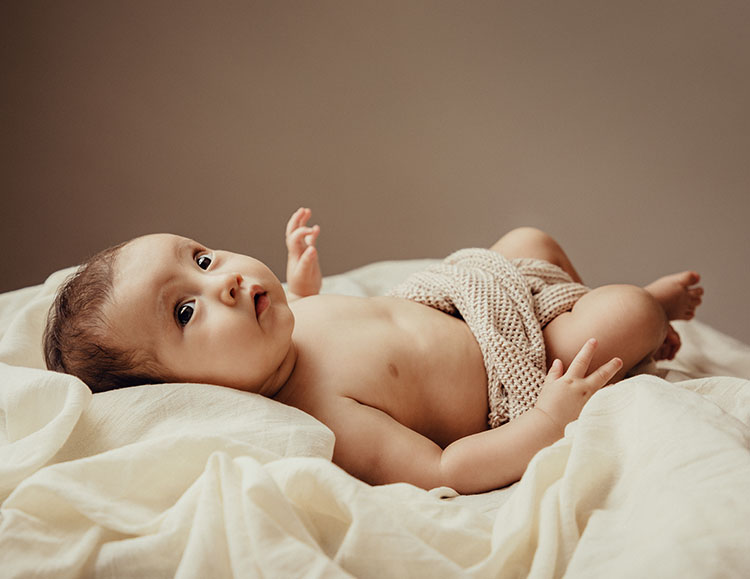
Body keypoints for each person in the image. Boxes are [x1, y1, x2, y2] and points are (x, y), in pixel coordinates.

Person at [43, 208, 703, 494]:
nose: (227, 280)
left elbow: (313, 313)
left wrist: (300, 281)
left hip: (460, 296)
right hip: (512, 373)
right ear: (187, 393)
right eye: (187, 311)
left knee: (528, 236)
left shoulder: (287, 322)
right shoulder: (322, 411)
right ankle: (648, 317)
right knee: (625, 313)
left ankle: (578, 300)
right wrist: (545, 423)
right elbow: (444, 469)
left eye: (204, 258)